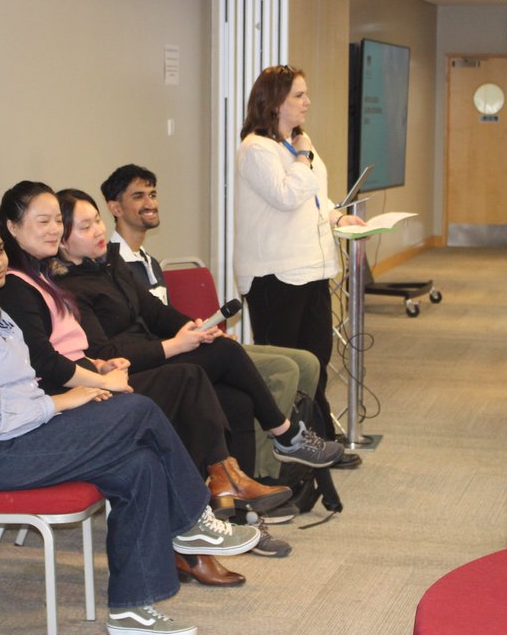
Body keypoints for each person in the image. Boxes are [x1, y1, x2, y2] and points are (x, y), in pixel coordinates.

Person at [0, 211, 259, 634]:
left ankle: (132, 610)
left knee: (139, 465)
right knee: (139, 410)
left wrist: (67, 400)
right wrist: (62, 404)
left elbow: (18, 391)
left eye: (0, 250)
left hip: (16, 436)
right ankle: (191, 522)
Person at [0, 180, 290, 573]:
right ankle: (211, 501)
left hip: (88, 379)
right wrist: (99, 378)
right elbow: (43, 365)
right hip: (65, 401)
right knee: (184, 382)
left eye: (56, 222)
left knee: (217, 394)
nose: (53, 230)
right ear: (13, 228)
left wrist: (99, 368)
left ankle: (211, 508)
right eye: (44, 222)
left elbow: (76, 348)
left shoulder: (44, 275)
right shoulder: (19, 285)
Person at [51, 188, 345, 479]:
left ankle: (243, 508)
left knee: (238, 402)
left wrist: (194, 327)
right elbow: (107, 354)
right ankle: (286, 434)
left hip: (155, 352)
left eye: (97, 221)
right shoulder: (70, 289)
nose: (98, 230)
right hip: (129, 371)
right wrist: (175, 345)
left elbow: (153, 310)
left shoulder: (111, 264)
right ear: (62, 241)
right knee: (227, 351)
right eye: (85, 227)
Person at [234, 65, 364, 440]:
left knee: (316, 361)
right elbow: (287, 196)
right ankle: (291, 444)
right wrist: (302, 159)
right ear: (274, 103)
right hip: (276, 274)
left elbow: (313, 199)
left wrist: (339, 216)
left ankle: (318, 437)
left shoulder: (299, 142)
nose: (307, 102)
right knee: (287, 365)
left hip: (312, 268)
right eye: (299, 95)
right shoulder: (257, 148)